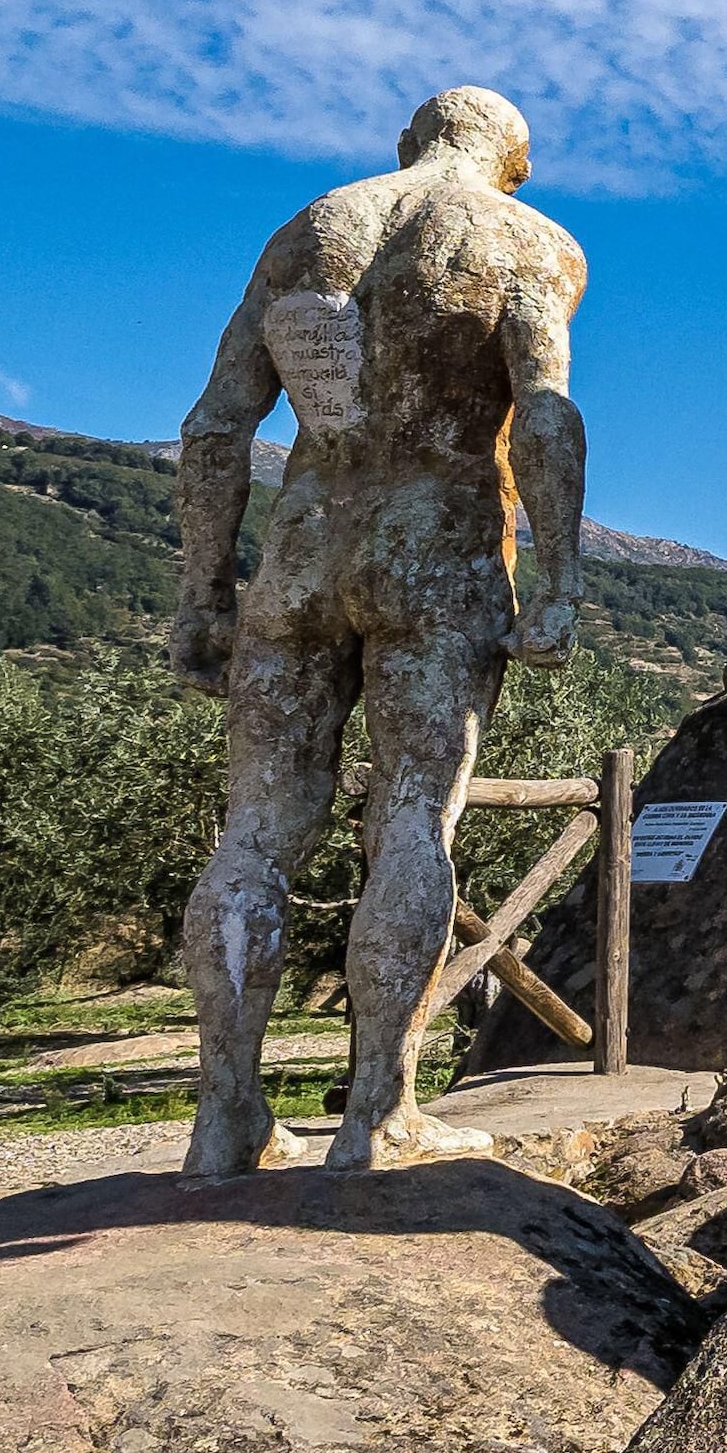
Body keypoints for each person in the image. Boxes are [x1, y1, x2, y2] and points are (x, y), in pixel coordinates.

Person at [166, 87, 589, 1174]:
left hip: (303, 553)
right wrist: (559, 580)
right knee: (412, 823)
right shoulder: (524, 238)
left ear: (411, 142)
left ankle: (223, 1119)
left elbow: (218, 424)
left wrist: (203, 592)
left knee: (255, 832)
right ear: (513, 161)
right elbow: (542, 411)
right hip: (437, 553)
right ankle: (376, 1116)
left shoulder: (312, 227)